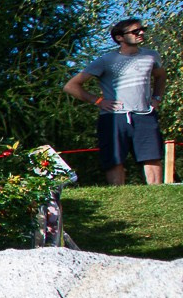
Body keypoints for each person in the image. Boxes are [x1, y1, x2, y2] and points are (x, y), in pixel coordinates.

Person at [65, 19, 168, 186]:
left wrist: (157, 98)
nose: (141, 33)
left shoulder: (151, 56)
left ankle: (157, 195)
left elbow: (160, 76)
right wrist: (98, 100)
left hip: (145, 115)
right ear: (120, 37)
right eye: (135, 32)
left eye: (142, 30)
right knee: (114, 159)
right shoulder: (106, 60)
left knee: (152, 157)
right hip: (114, 118)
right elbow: (71, 86)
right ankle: (118, 196)